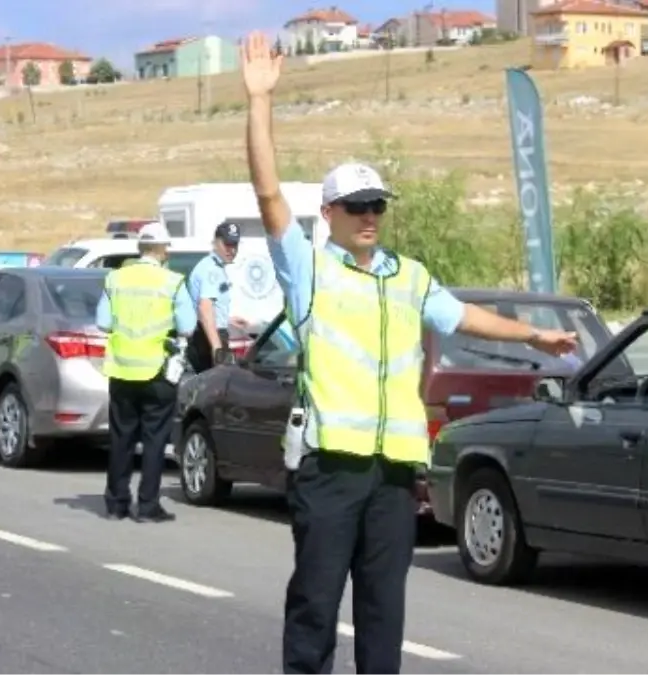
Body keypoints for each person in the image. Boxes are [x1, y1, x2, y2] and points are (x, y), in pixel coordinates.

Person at [239, 31, 580, 675]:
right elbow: (268, 196)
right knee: (314, 606)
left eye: (378, 207)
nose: (370, 217)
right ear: (330, 212)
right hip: (330, 472)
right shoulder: (310, 271)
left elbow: (464, 316)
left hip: (394, 476)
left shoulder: (409, 275)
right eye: (358, 207)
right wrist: (260, 102)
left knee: (382, 612)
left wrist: (533, 335)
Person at [96, 222, 196, 523]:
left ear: (140, 248)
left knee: (121, 438)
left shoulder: (116, 279)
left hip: (123, 370)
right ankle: (148, 506)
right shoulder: (173, 282)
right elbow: (188, 326)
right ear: (163, 250)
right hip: (157, 372)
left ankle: (116, 504)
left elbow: (102, 322)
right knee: (154, 440)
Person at [186, 221, 248, 372]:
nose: (232, 250)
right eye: (227, 244)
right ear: (216, 242)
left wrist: (226, 319)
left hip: (207, 334)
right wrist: (216, 348)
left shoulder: (211, 266)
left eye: (235, 245)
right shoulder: (212, 270)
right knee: (220, 385)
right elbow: (204, 307)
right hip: (209, 339)